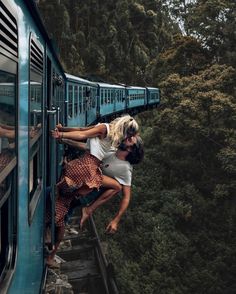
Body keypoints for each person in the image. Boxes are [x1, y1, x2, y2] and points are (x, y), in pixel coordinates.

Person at [47, 115, 139, 267]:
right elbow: (83, 133)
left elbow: (83, 134)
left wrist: (61, 134)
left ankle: (76, 208)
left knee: (59, 197)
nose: (130, 138)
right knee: (62, 209)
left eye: (132, 138)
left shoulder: (124, 166)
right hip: (88, 176)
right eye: (131, 135)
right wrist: (63, 132)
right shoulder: (114, 147)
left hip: (85, 172)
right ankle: (51, 251)